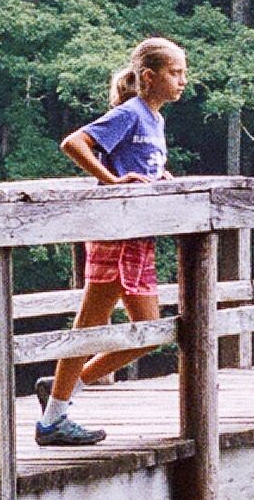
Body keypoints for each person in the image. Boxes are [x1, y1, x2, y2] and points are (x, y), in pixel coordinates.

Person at [36, 36, 188, 446]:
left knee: (148, 331)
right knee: (96, 326)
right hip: (116, 236)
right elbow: (74, 142)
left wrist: (159, 179)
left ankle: (61, 393)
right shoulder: (130, 112)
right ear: (149, 77)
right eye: (175, 73)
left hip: (137, 237)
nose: (183, 81)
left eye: (184, 73)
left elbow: (139, 163)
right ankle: (54, 416)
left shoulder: (155, 118)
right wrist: (111, 181)